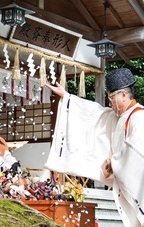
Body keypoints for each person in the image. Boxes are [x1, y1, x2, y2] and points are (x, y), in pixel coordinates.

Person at [44, 68, 144, 227]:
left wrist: (114, 163)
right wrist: (67, 97)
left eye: (112, 97)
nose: (110, 102)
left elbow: (137, 152)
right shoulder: (117, 116)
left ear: (123, 95)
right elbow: (93, 113)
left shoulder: (139, 117)